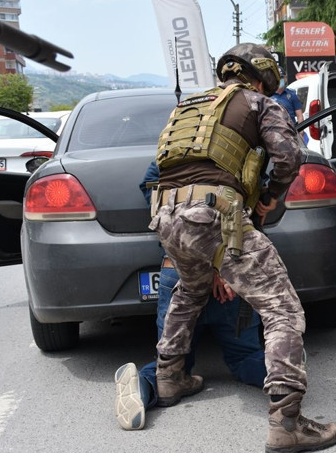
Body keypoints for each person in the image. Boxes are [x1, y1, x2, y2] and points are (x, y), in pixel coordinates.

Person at [150, 43, 336, 453]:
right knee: (281, 308)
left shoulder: (188, 107)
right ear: (263, 77)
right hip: (213, 214)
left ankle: (169, 377)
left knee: (190, 292)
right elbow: (289, 156)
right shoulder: (258, 103)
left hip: (166, 216)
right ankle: (287, 424)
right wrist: (269, 195)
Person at [114, 161, 268, 431]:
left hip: (177, 273)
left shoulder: (169, 152)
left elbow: (151, 189)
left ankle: (142, 387)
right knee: (245, 357)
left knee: (171, 366)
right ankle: (279, 372)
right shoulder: (240, 152)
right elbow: (250, 202)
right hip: (229, 276)